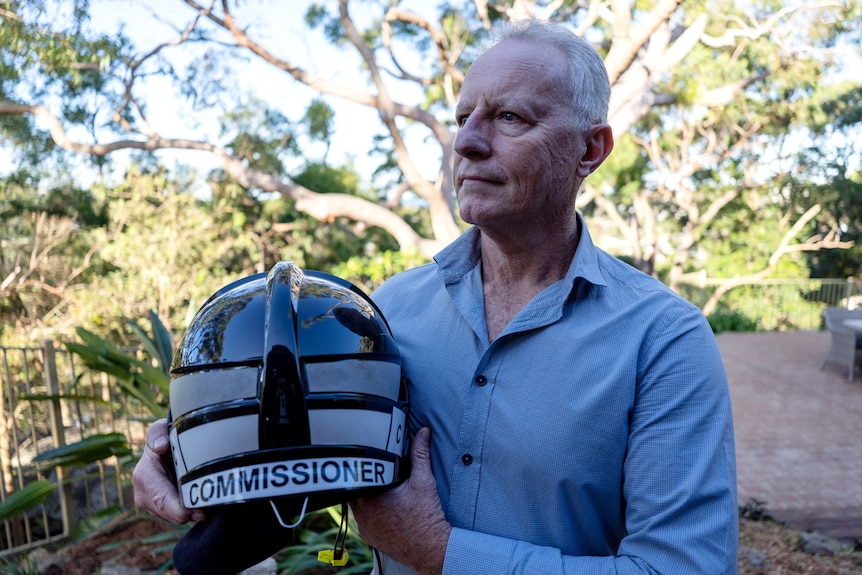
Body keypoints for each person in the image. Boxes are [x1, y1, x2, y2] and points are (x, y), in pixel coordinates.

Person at [133, 18, 738, 575]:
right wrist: (198, 448)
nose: (467, 143)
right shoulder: (388, 313)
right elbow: (300, 455)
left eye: (510, 118)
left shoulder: (664, 341)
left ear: (590, 149)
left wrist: (439, 550)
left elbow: (684, 568)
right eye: (462, 117)